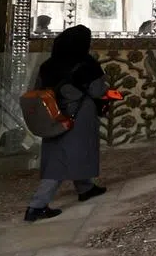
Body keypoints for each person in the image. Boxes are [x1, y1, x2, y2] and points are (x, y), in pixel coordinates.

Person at [24, 25, 107, 221]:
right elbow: (97, 91)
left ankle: (85, 188)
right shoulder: (87, 64)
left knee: (68, 153)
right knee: (62, 161)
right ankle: (37, 206)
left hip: (53, 115)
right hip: (79, 115)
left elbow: (37, 89)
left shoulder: (48, 65)